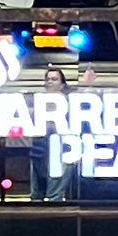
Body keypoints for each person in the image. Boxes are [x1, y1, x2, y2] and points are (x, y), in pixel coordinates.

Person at [29, 64, 75, 202]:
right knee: (36, 194)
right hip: (39, 148)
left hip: (62, 150)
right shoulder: (38, 105)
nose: (49, 82)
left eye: (54, 79)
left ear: (62, 85)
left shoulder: (71, 104)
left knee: (54, 194)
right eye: (48, 79)